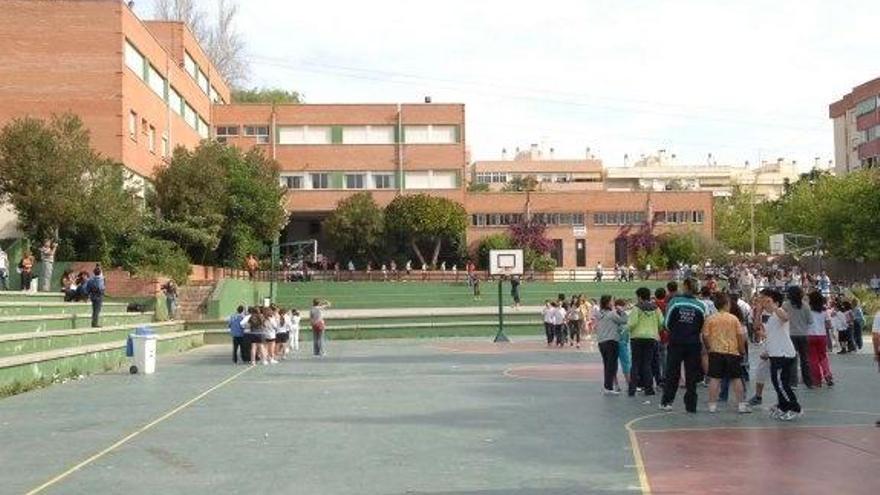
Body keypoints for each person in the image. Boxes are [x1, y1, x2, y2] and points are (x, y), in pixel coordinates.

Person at [660, 277, 706, 413]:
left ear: (685, 286)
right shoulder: (701, 306)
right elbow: (703, 326)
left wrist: (675, 331)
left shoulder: (675, 302)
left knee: (672, 372)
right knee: (691, 375)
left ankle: (667, 402)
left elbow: (666, 323)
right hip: (693, 344)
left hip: (676, 342)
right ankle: (691, 406)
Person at [703, 293, 751, 414]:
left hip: (715, 351)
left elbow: (705, 335)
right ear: (726, 304)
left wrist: (709, 347)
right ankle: (741, 405)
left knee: (715, 379)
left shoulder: (710, 318)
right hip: (732, 352)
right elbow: (740, 336)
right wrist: (742, 350)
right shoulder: (734, 319)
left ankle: (712, 406)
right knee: (736, 379)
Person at [760, 288, 801, 421]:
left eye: (768, 301)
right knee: (778, 382)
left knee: (781, 383)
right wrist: (767, 350)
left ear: (776, 302)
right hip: (776, 354)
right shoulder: (771, 318)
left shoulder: (779, 312)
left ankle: (795, 408)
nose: (765, 303)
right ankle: (783, 406)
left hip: (783, 354)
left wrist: (774, 307)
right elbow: (771, 336)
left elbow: (785, 317)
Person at [628, 287, 661, 396]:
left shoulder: (636, 308)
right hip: (651, 338)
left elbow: (632, 323)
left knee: (635, 363)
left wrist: (628, 331)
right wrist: (655, 330)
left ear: (640, 297)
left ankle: (632, 389)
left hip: (637, 338)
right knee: (647, 363)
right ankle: (649, 389)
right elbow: (661, 322)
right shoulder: (656, 308)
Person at [783, 286, 814, 388]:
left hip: (790, 335)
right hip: (803, 335)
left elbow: (782, 319)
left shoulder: (785, 305)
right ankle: (808, 381)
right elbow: (810, 321)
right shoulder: (806, 306)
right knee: (805, 359)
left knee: (792, 358)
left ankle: (793, 382)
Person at [596, 295, 626, 394]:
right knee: (612, 365)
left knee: (606, 364)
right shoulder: (612, 314)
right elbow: (623, 321)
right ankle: (609, 387)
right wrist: (622, 311)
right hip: (611, 341)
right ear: (608, 303)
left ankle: (607, 386)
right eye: (611, 301)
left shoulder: (599, 313)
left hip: (601, 341)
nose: (613, 303)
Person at [806, 291, 833, 387]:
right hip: (822, 336)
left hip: (810, 335)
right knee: (823, 356)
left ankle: (817, 380)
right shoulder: (825, 311)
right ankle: (828, 374)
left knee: (813, 358)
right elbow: (829, 325)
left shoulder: (808, 310)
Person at [615, 299, 632, 391]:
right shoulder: (612, 315)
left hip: (623, 342)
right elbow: (625, 321)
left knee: (626, 363)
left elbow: (627, 323)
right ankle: (616, 385)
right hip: (615, 342)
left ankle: (628, 383)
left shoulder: (626, 314)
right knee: (614, 364)